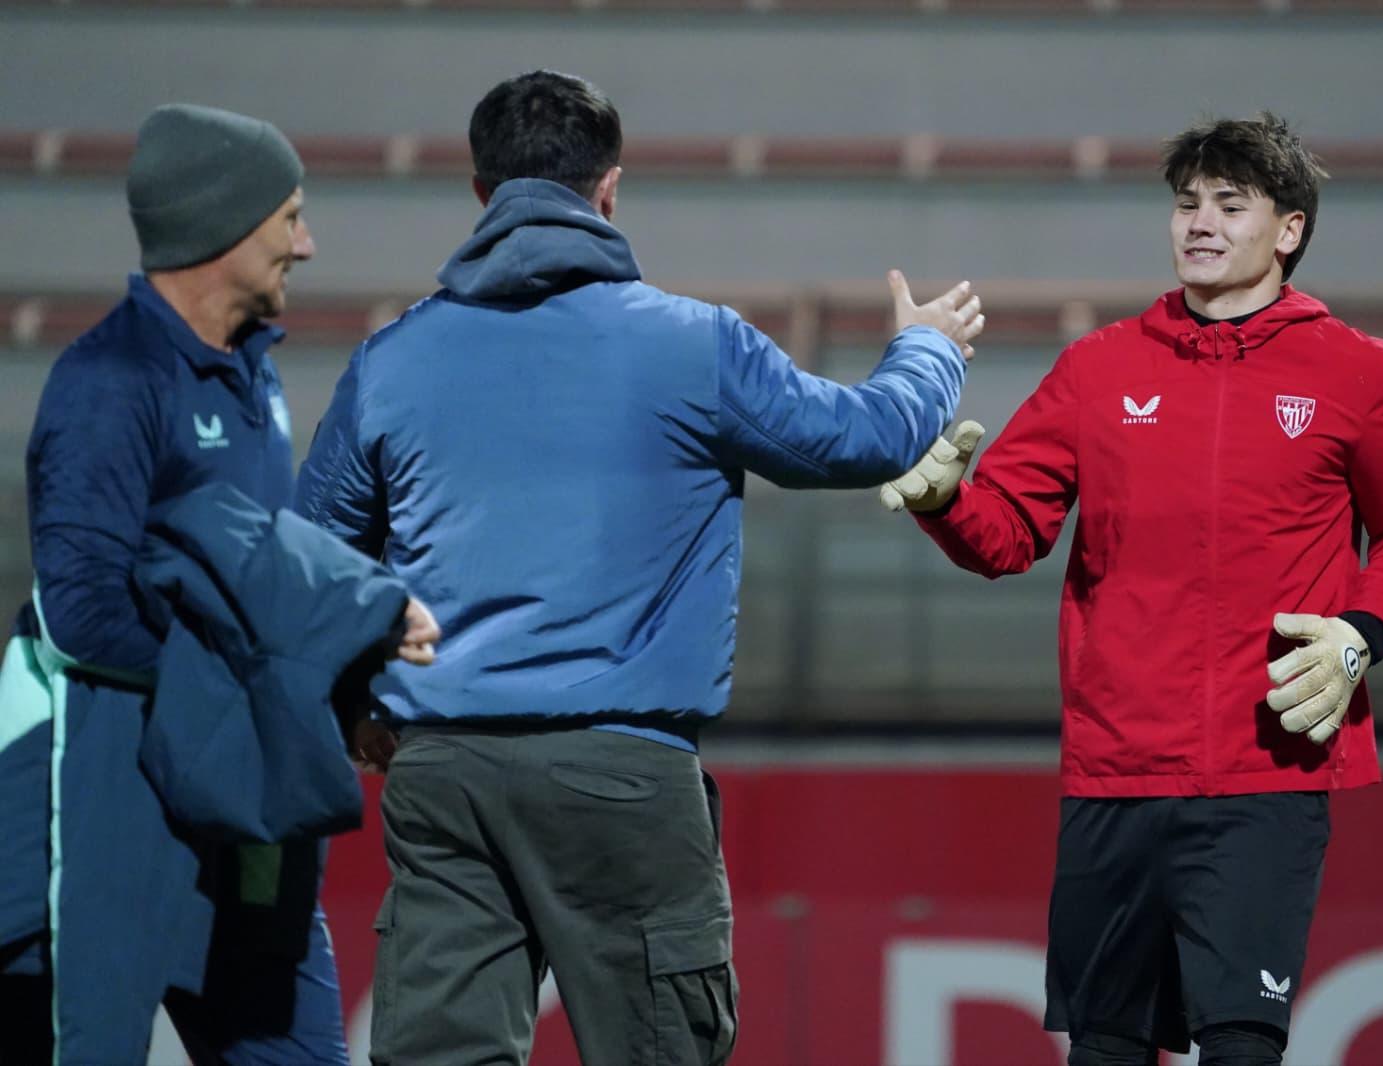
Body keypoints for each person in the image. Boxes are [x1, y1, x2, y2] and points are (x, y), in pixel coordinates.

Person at [293, 69, 982, 1066]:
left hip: (443, 770)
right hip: (620, 775)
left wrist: (356, 698)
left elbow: (313, 559)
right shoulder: (691, 346)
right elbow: (867, 438)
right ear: (608, 189)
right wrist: (923, 350)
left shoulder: (392, 359)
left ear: (482, 195)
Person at [880, 113, 1383, 1066]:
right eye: (1188, 203)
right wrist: (945, 498)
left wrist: (1360, 633)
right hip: (1115, 773)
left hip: (1267, 771)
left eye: (1231, 205)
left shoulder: (1357, 372)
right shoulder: (1098, 368)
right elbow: (1010, 532)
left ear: (1289, 231)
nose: (1200, 223)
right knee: (1105, 1050)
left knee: (1241, 1048)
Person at [2, 104, 440, 1065]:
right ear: (220, 229)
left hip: (242, 813)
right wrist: (263, 686)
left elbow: (252, 582)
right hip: (107, 810)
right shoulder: (107, 381)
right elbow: (82, 617)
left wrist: (328, 697)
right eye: (290, 217)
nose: (309, 244)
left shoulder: (252, 376)